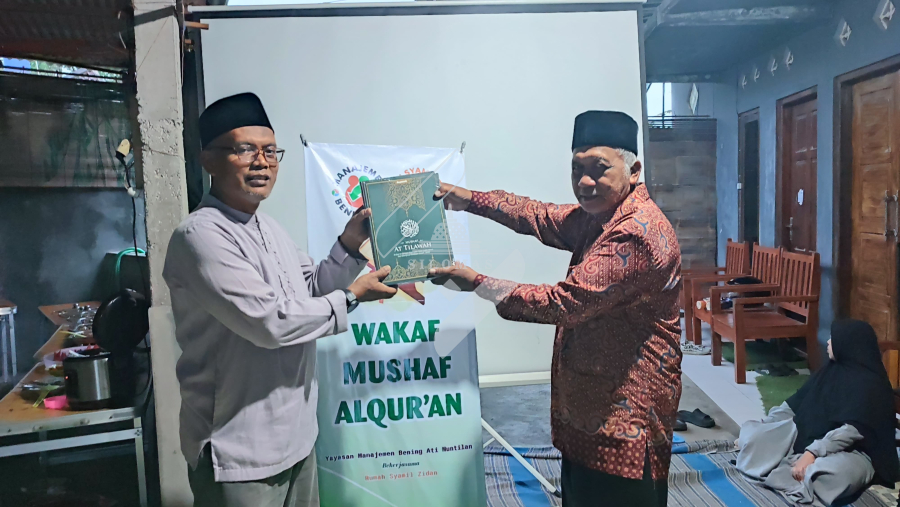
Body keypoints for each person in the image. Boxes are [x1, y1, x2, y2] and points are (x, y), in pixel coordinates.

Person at [429, 111, 682, 507]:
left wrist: (477, 283)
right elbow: (539, 215)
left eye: (599, 169)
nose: (584, 182)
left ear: (633, 171)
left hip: (625, 417)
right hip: (591, 405)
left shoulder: (635, 233)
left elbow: (562, 304)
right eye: (577, 169)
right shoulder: (603, 214)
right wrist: (469, 200)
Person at [163, 93, 397, 507]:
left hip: (297, 436)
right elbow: (270, 323)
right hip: (239, 448)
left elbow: (311, 289)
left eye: (270, 151)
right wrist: (351, 298)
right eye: (245, 150)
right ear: (208, 160)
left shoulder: (268, 227)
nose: (262, 162)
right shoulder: (200, 235)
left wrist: (349, 242)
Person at [735, 319, 899, 506]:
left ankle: (799, 472)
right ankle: (795, 472)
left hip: (854, 452)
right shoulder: (830, 372)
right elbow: (792, 406)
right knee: (755, 436)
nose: (828, 342)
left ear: (848, 344)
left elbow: (850, 432)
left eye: (833, 338)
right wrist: (766, 426)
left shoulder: (871, 385)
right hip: (807, 439)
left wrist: (811, 454)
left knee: (835, 474)